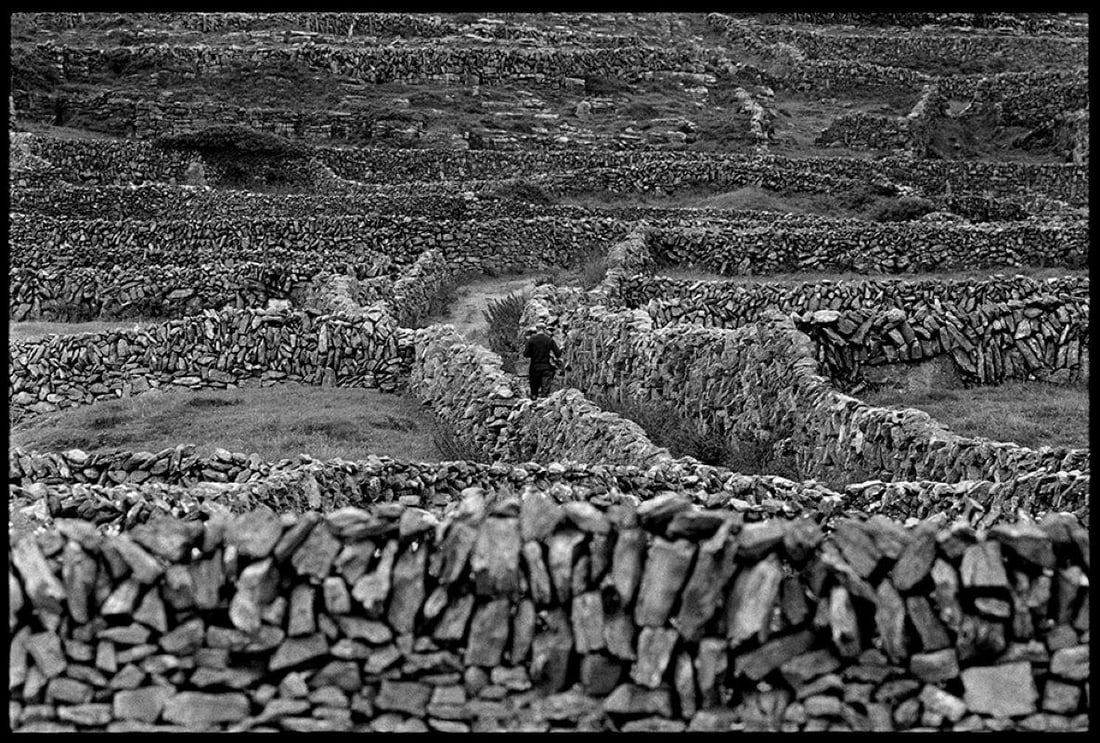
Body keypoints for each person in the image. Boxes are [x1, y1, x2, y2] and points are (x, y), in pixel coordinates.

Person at [522, 325, 562, 399]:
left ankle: (533, 407)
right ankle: (544, 406)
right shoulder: (549, 340)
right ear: (545, 330)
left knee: (534, 392)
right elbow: (558, 354)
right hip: (547, 368)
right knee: (545, 393)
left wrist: (533, 353)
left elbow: (526, 354)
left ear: (537, 329)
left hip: (534, 368)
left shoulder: (531, 340)